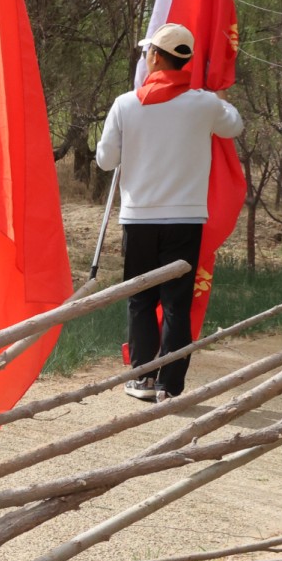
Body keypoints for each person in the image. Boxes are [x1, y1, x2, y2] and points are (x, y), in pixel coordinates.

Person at [97, 22, 244, 404]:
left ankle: (142, 378)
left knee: (141, 299)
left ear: (157, 58)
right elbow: (235, 126)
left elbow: (105, 160)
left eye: (148, 53)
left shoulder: (124, 104)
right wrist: (214, 97)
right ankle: (170, 387)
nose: (145, 57)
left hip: (139, 218)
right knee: (178, 303)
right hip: (186, 219)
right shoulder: (205, 104)